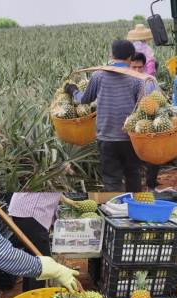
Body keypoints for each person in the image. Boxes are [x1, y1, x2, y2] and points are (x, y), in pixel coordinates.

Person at [65, 40, 149, 192]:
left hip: (106, 137)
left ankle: (115, 209)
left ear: (111, 55)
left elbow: (84, 100)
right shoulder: (137, 78)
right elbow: (142, 107)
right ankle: (135, 207)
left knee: (111, 178)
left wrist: (72, 90)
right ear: (131, 57)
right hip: (130, 137)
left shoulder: (98, 76)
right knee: (133, 174)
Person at [8, 192, 62, 291]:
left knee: (34, 259)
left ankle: (28, 296)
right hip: (32, 213)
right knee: (43, 263)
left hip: (25, 212)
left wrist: (68, 200)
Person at [130, 52, 161, 192]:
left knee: (154, 154)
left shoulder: (150, 80)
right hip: (131, 122)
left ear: (144, 67)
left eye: (140, 67)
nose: (137, 71)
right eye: (134, 67)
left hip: (149, 120)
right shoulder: (125, 80)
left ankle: (151, 184)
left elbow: (160, 99)